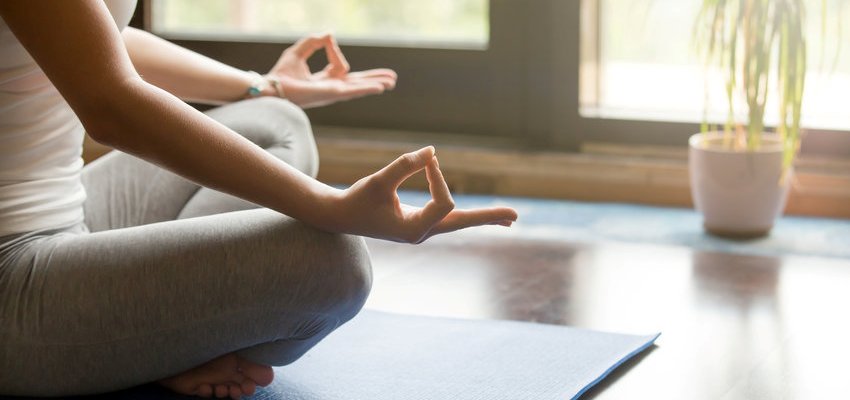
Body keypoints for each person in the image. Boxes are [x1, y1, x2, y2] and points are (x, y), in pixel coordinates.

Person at [0, 1, 517, 399]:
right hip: (10, 278)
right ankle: (163, 346)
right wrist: (328, 206)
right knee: (331, 263)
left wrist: (266, 85)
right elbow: (110, 104)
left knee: (275, 119)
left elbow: (97, 36)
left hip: (71, 211)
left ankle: (159, 342)